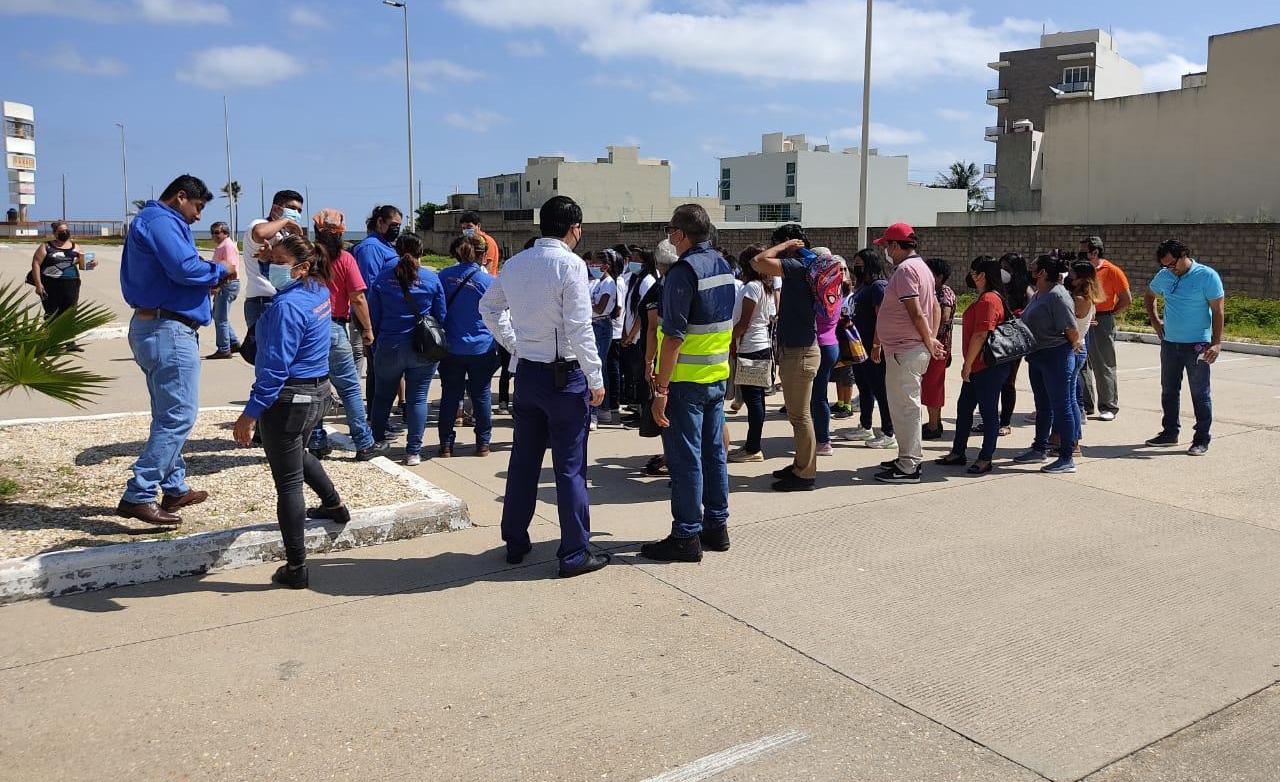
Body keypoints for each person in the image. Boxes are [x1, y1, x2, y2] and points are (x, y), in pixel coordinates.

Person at [479, 195, 610, 578]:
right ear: (575, 228)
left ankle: (515, 540)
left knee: (523, 460)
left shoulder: (517, 264)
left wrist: (515, 344)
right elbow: (580, 326)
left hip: (529, 374)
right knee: (569, 467)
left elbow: (488, 308)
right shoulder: (571, 266)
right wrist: (595, 377)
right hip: (564, 376)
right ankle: (573, 553)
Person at [232, 235, 347, 590]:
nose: (273, 266)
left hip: (287, 398)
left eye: (279, 261)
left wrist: (249, 414)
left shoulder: (286, 307)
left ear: (302, 266)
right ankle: (333, 506)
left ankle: (296, 567)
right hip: (317, 392)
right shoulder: (318, 292)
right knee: (297, 452)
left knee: (288, 483)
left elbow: (275, 370)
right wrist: (268, 252)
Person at [116, 174, 230, 525]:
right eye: (197, 207)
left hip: (160, 326)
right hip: (168, 329)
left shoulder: (152, 221)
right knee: (178, 416)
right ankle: (139, 493)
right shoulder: (162, 220)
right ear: (181, 197)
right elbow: (184, 268)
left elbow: (175, 271)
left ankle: (175, 486)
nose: (198, 217)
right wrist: (218, 269)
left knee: (167, 412)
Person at [643, 204, 735, 562]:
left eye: (670, 230)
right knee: (714, 455)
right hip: (715, 376)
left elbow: (675, 336)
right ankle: (717, 527)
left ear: (680, 234)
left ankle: (685, 536)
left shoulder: (683, 271)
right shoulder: (723, 265)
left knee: (685, 460)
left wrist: (661, 390)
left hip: (684, 382)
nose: (668, 236)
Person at [305, 209, 383, 461]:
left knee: (315, 387)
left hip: (308, 329)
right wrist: (368, 329)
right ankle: (363, 442)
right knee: (349, 387)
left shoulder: (306, 256)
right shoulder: (346, 259)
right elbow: (357, 298)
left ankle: (317, 442)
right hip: (334, 326)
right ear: (341, 233)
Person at [871, 223, 945, 484]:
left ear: (894, 245)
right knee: (905, 408)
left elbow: (916, 311)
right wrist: (931, 339)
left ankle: (909, 466)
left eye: (886, 247)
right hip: (909, 348)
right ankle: (906, 457)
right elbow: (934, 306)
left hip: (905, 350)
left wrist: (928, 340)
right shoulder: (922, 267)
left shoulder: (905, 270)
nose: (886, 252)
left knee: (905, 410)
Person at [366, 234, 445, 465]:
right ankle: (413, 451)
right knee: (418, 398)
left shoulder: (382, 279)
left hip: (390, 344)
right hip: (422, 347)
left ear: (397, 251)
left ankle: (377, 441)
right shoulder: (431, 279)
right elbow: (441, 316)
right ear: (421, 252)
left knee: (382, 396)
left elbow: (374, 316)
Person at [751, 224, 819, 492]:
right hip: (799, 349)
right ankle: (801, 465)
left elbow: (758, 262)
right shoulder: (807, 266)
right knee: (797, 415)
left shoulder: (798, 266)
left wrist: (784, 246)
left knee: (801, 417)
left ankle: (805, 474)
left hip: (800, 352)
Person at [1143, 239, 1224, 456]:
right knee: (1169, 390)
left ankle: (1201, 438)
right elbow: (1149, 296)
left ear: (1184, 255)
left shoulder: (1206, 276)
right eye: (1166, 266)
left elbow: (1218, 311)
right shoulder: (1164, 276)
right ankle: (1169, 432)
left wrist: (1216, 343)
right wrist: (1156, 322)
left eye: (1173, 264)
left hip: (1198, 344)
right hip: (1170, 344)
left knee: (1200, 392)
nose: (1171, 269)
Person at [934, 256, 1012, 474]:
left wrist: (967, 364)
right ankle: (958, 452)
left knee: (987, 413)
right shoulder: (988, 297)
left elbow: (980, 334)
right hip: (981, 365)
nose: (971, 275)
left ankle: (985, 458)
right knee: (964, 408)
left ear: (982, 275)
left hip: (986, 366)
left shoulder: (988, 300)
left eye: (974, 272)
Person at [1012, 254, 1084, 474]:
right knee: (1043, 406)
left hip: (1056, 357)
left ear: (1042, 273)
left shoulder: (1057, 295)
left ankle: (1066, 457)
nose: (1029, 270)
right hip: (1038, 356)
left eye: (1033, 267)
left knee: (1062, 406)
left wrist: (1074, 345)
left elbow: (1071, 329)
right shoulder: (1039, 294)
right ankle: (1039, 448)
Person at [437, 233, 499, 457]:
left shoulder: (444, 276)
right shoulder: (487, 282)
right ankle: (483, 442)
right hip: (481, 346)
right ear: (482, 255)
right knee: (481, 394)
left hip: (451, 346)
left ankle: (446, 443)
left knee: (450, 395)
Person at [352, 205, 404, 411]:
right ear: (380, 222)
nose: (396, 229)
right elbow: (368, 286)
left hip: (387, 314)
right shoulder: (371, 248)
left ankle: (380, 415)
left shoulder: (386, 245)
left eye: (399, 225)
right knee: (378, 369)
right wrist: (369, 324)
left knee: (386, 369)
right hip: (375, 316)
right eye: (393, 225)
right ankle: (375, 417)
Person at [841, 249, 893, 446]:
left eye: (859, 263)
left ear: (870, 264)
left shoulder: (879, 286)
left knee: (879, 390)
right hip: (858, 347)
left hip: (872, 347)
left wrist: (877, 345)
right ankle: (865, 426)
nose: (856, 267)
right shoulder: (863, 286)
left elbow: (882, 317)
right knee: (864, 388)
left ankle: (888, 433)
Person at [1077, 236, 1131, 421]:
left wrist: (1108, 314)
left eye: (1084, 252)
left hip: (1101, 319)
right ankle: (1085, 404)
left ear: (1095, 252)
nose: (1080, 255)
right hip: (1082, 318)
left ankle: (1108, 406)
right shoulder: (1080, 270)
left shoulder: (1112, 271)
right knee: (1081, 364)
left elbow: (1126, 299)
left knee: (1103, 364)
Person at [728, 244, 773, 462]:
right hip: (759, 346)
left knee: (753, 399)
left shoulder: (752, 288)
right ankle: (751, 445)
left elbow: (744, 322)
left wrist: (727, 340)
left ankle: (753, 448)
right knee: (756, 399)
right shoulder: (764, 286)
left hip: (751, 348)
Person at [242, 190, 305, 332]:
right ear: (276, 208)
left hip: (282, 298)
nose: (296, 213)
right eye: (292, 208)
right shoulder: (260, 223)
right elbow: (259, 233)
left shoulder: (285, 233)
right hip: (262, 301)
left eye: (299, 210)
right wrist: (286, 220)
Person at [30, 220, 85, 351]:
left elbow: (83, 265)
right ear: (54, 233)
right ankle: (51, 341)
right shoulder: (46, 247)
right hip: (50, 284)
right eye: (61, 231)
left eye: (66, 230)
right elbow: (36, 264)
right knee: (51, 312)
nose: (65, 233)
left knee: (69, 312)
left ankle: (70, 342)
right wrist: (38, 284)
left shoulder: (76, 247)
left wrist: (92, 263)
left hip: (71, 283)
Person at [1067, 259, 1105, 451]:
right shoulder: (1085, 297)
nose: (1068, 277)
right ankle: (1071, 440)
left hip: (1074, 349)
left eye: (1071, 274)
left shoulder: (1079, 299)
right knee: (1071, 396)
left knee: (1070, 399)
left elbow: (1068, 325)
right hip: (1078, 348)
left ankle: (1073, 441)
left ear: (1080, 278)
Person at [620, 248, 658, 425]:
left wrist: (631, 334)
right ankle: (637, 410)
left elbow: (643, 315)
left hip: (640, 337)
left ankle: (645, 415)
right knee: (635, 376)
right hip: (632, 336)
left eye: (636, 259)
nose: (632, 262)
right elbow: (630, 311)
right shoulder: (636, 280)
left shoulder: (648, 281)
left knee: (643, 378)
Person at [921, 258, 956, 440]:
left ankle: (934, 426)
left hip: (938, 347)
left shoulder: (943, 293)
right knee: (932, 385)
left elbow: (944, 316)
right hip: (935, 346)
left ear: (940, 276)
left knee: (932, 386)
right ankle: (935, 422)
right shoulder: (933, 291)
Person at [206, 221, 240, 359]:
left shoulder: (227, 246)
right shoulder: (221, 246)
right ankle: (233, 342)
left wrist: (218, 286)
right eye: (212, 232)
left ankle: (224, 348)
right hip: (225, 284)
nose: (214, 235)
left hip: (227, 284)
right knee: (220, 315)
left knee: (220, 318)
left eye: (217, 232)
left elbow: (230, 269)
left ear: (225, 233)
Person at [459, 210, 500, 277]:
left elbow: (488, 267)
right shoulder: (468, 241)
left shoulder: (487, 241)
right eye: (463, 228)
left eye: (469, 227)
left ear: (478, 226)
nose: (466, 230)